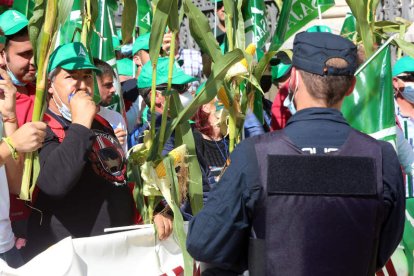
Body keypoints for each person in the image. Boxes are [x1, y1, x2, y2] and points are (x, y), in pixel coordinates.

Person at [187, 32, 405, 275]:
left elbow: (203, 242)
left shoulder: (255, 156)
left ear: (293, 80)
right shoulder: (382, 158)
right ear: (351, 87)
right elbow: (382, 249)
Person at [93, 58, 128, 152]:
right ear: (92, 84)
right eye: (107, 85)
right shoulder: (73, 120)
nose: (113, 90)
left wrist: (116, 147)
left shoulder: (117, 118)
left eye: (112, 85)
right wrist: (109, 142)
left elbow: (124, 158)